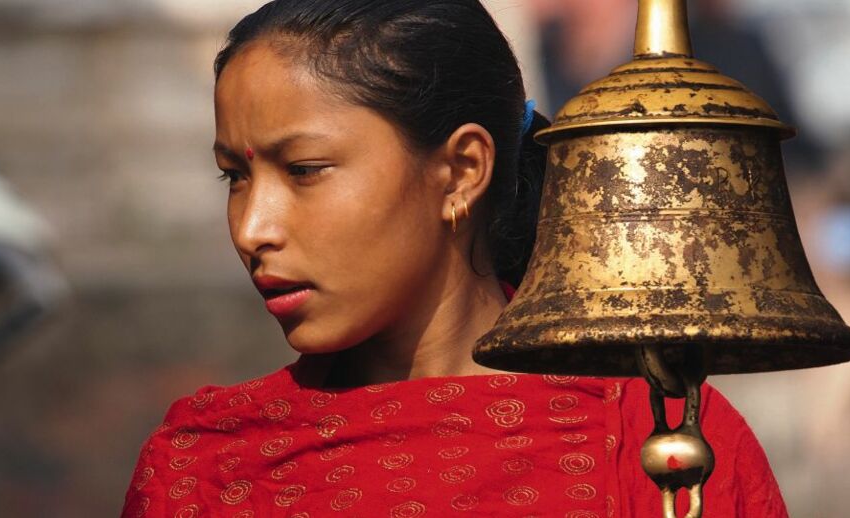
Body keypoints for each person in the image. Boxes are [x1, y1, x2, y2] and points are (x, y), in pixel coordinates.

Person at [119, 1, 788, 516]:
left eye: (305, 169)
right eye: (233, 176)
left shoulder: (658, 442)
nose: (252, 228)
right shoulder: (204, 465)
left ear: (462, 171)